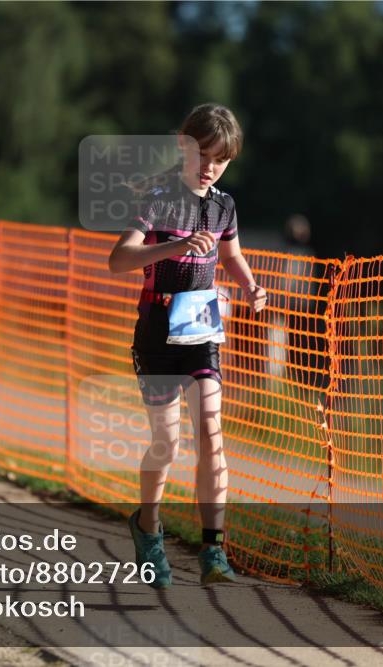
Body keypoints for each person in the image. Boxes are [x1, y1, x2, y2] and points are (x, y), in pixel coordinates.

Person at [108, 104, 266, 588]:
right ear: (183, 145)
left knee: (212, 434)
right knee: (168, 442)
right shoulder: (157, 198)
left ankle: (213, 550)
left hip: (201, 330)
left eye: (221, 159)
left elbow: (232, 254)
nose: (210, 166)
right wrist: (172, 247)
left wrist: (250, 287)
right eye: (203, 154)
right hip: (157, 330)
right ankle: (148, 526)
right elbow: (118, 260)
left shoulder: (225, 207)